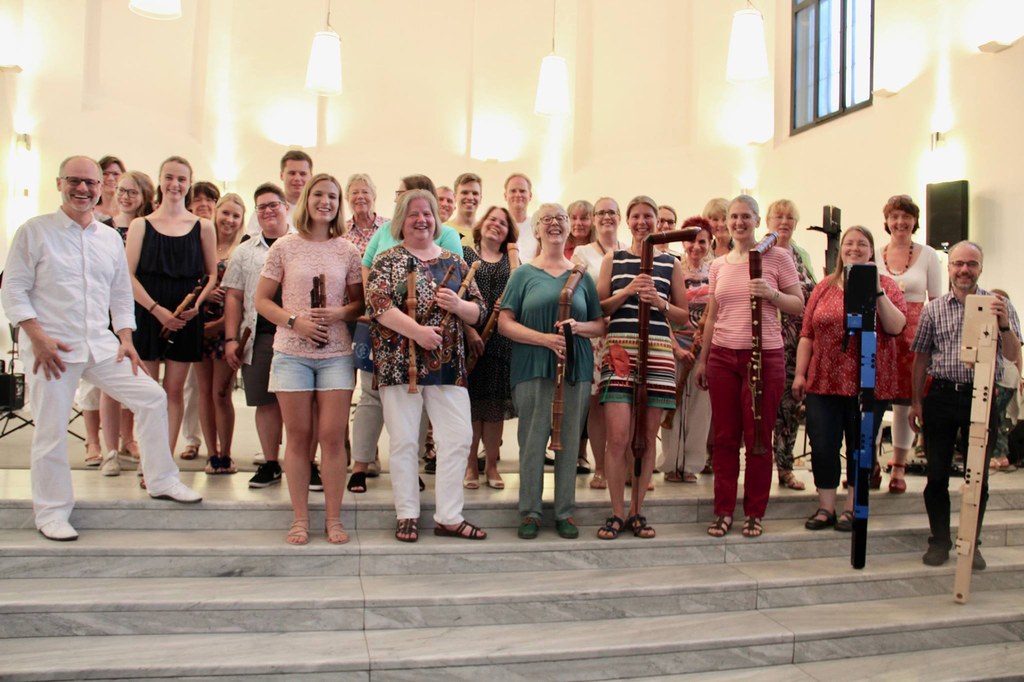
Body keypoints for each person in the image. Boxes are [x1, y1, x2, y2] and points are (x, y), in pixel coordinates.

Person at [1, 155, 201, 541]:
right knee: (51, 429)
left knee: (152, 397)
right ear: (59, 183)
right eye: (75, 181)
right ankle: (52, 511)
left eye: (91, 183)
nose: (83, 189)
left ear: (100, 188)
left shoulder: (109, 237)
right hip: (53, 347)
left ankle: (160, 478)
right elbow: (13, 290)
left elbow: (120, 294)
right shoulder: (34, 231)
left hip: (101, 343)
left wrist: (126, 338)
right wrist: (36, 337)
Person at [367, 189, 488, 543]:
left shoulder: (456, 259)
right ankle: (407, 513)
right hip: (399, 361)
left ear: (436, 220)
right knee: (404, 440)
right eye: (413, 214)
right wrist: (418, 333)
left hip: (448, 363)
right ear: (401, 221)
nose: (422, 219)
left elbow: (478, 310)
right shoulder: (388, 259)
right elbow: (377, 304)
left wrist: (458, 305)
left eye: (428, 214)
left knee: (458, 437)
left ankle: (449, 516)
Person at [255, 173, 364, 545]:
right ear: (306, 199)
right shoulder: (284, 247)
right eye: (319, 194)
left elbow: (359, 304)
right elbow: (262, 301)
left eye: (333, 196)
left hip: (335, 353)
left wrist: (338, 314)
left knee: (332, 437)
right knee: (298, 437)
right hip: (291, 353)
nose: (326, 201)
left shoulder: (347, 249)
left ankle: (333, 519)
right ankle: (300, 519)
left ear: (339, 204)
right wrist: (294, 321)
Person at [694, 195, 803, 539]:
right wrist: (702, 357)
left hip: (764, 355)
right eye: (734, 217)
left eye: (746, 216)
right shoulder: (718, 265)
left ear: (757, 221)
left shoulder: (778, 256)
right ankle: (723, 510)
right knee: (725, 437)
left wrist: (771, 294)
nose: (739, 222)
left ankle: (754, 511)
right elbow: (712, 315)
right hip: (723, 356)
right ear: (726, 222)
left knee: (758, 438)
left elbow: (798, 305)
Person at [910, 241, 1021, 568]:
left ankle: (972, 542)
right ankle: (939, 541)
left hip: (983, 397)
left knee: (978, 478)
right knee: (937, 474)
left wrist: (1003, 325)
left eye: (971, 264)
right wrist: (916, 402)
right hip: (942, 396)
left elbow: (1013, 355)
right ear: (949, 267)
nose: (964, 270)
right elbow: (920, 359)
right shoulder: (933, 309)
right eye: (958, 263)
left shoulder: (1000, 305)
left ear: (980, 268)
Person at [500, 203, 604, 539]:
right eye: (548, 220)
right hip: (532, 366)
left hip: (575, 368)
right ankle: (529, 511)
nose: (555, 225)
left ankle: (564, 512)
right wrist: (544, 339)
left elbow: (600, 324)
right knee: (532, 440)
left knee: (570, 441)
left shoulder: (582, 275)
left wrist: (578, 327)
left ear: (569, 228)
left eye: (561, 219)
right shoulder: (523, 275)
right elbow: (504, 323)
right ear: (537, 230)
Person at [792, 226, 907, 531]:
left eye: (862, 244)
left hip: (868, 383)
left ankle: (853, 507)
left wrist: (876, 290)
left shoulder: (888, 286)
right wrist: (800, 375)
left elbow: (896, 327)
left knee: (861, 446)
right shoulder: (824, 287)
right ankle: (826, 506)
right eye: (849, 244)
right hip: (824, 380)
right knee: (823, 445)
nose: (854, 249)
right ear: (841, 250)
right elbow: (807, 335)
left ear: (872, 251)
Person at [351, 175, 461, 488]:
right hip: (386, 333)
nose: (415, 214)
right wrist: (377, 304)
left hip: (428, 338)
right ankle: (361, 463)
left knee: (418, 405)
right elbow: (367, 268)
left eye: (410, 197)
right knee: (371, 398)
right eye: (401, 197)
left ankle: (409, 473)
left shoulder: (449, 236)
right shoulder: (385, 234)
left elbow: (453, 280)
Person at [596, 195, 690, 540]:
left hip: (659, 351)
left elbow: (683, 317)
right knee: (618, 436)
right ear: (627, 221)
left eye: (648, 216)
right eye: (635, 216)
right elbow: (599, 307)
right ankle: (616, 512)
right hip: (621, 349)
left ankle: (638, 511)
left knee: (647, 437)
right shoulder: (613, 259)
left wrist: (660, 302)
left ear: (656, 221)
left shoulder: (671, 263)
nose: (641, 222)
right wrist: (629, 292)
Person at [126, 157, 218, 470]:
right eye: (169, 177)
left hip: (186, 316)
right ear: (160, 181)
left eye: (181, 179)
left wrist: (194, 307)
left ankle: (164, 461)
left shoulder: (203, 226)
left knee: (174, 390)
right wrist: (157, 310)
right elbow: (128, 275)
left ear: (189, 183)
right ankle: (148, 460)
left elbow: (212, 274)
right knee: (149, 392)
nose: (175, 184)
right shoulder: (141, 225)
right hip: (149, 312)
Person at [223, 183, 292, 490]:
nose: (268, 211)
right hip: (259, 335)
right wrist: (230, 339)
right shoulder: (245, 251)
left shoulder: (301, 243)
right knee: (265, 403)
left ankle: (302, 461)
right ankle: (270, 463)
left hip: (296, 335)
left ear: (286, 207)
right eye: (261, 206)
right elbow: (234, 297)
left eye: (273, 205)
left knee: (299, 403)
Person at [90, 171, 156, 474]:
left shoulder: (151, 229)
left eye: (134, 192)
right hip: (108, 312)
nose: (126, 196)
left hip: (141, 311)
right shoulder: (102, 228)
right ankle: (110, 450)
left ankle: (131, 439)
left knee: (136, 380)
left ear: (145, 196)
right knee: (109, 383)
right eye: (123, 190)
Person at [876, 194, 942, 493]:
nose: (900, 222)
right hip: (883, 329)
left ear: (914, 221)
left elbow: (937, 300)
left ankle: (899, 466)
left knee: (906, 401)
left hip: (916, 332)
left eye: (906, 217)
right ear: (887, 222)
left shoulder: (929, 255)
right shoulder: (877, 253)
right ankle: (869, 464)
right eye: (894, 217)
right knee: (874, 398)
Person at [462, 206, 519, 490]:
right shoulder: (465, 255)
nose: (496, 225)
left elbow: (522, 297)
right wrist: (470, 331)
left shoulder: (513, 261)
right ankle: (471, 464)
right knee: (472, 406)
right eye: (492, 220)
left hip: (502, 341)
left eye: (503, 223)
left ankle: (492, 465)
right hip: (470, 340)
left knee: (495, 407)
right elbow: (457, 298)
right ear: (481, 224)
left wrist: (508, 308)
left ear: (509, 232)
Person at [571, 196, 624, 490]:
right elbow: (579, 293)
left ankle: (625, 465)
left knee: (623, 402)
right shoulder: (581, 252)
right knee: (597, 404)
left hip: (623, 335)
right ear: (593, 218)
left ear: (620, 217)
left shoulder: (629, 249)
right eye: (601, 212)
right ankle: (601, 467)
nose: (607, 217)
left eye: (612, 212)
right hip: (595, 336)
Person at [764, 199, 817, 491]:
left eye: (790, 218)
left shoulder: (801, 254)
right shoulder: (758, 251)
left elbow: (813, 293)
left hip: (796, 342)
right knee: (760, 409)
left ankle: (784, 468)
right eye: (778, 217)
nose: (784, 222)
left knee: (789, 408)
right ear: (767, 221)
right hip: (763, 341)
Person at [659, 217, 713, 483]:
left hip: (704, 351)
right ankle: (671, 464)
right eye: (691, 240)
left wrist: (705, 346)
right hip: (675, 348)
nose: (696, 246)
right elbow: (662, 314)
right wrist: (674, 347)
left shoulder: (715, 272)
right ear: (683, 241)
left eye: (702, 241)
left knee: (700, 410)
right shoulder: (672, 270)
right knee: (672, 407)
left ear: (710, 243)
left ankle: (691, 465)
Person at [195, 193, 245, 474]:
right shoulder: (202, 243)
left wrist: (225, 324)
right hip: (199, 326)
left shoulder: (243, 248)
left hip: (227, 326)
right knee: (203, 393)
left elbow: (243, 295)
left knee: (221, 393)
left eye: (235, 216)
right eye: (225, 213)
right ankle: (211, 452)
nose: (229, 219)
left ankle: (226, 452)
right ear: (216, 213)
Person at [178, 181, 221, 461]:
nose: (204, 204)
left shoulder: (227, 234)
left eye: (209, 199)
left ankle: (217, 445)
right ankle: (192, 439)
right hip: (192, 315)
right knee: (192, 385)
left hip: (223, 322)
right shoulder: (185, 232)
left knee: (219, 391)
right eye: (198, 199)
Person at [245, 150, 313, 236]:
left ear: (311, 176)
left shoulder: (317, 210)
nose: (297, 178)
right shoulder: (265, 208)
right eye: (292, 173)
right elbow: (252, 239)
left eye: (302, 174)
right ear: (281, 175)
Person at [505, 173, 537, 260]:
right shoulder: (499, 226)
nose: (518, 195)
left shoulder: (538, 226)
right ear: (505, 196)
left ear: (530, 196)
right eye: (513, 191)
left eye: (522, 191)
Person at [447, 172, 482, 245]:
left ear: (480, 198)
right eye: (465, 193)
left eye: (475, 193)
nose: (470, 197)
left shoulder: (486, 232)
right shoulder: (442, 230)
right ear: (455, 196)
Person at [94, 155, 125, 221]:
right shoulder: (89, 213)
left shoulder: (131, 212)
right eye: (105, 174)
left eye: (115, 174)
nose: (110, 178)